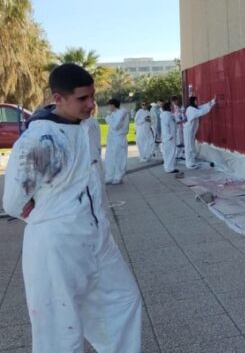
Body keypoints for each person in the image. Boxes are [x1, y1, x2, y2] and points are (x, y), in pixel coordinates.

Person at [2, 63, 141, 352]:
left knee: (123, 301)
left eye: (93, 96)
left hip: (98, 237)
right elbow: (13, 202)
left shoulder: (88, 127)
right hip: (57, 245)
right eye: (82, 99)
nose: (91, 105)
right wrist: (52, 214)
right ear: (58, 98)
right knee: (60, 330)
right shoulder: (37, 141)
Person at [183, 95, 216, 169]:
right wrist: (210, 106)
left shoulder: (193, 108)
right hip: (188, 131)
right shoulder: (191, 109)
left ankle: (191, 162)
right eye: (196, 101)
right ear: (193, 101)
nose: (197, 102)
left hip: (190, 131)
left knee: (190, 146)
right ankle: (189, 164)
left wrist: (212, 102)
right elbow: (201, 112)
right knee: (189, 147)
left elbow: (202, 107)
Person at [104, 97, 129, 184]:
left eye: (109, 105)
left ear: (113, 105)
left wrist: (107, 118)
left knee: (118, 158)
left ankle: (118, 176)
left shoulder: (122, 113)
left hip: (119, 138)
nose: (108, 108)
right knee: (110, 158)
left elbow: (115, 126)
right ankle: (110, 176)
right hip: (112, 139)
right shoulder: (113, 113)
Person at [159, 101, 178, 174]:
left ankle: (170, 167)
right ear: (168, 107)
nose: (173, 107)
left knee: (171, 152)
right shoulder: (166, 115)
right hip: (169, 138)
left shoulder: (169, 115)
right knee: (169, 152)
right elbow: (165, 127)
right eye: (171, 106)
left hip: (171, 137)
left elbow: (172, 124)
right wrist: (168, 136)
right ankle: (169, 168)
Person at [171, 95, 185, 160]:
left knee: (181, 140)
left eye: (176, 101)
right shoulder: (171, 109)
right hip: (175, 126)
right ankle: (176, 154)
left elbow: (181, 115)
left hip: (180, 125)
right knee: (177, 141)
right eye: (174, 101)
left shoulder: (178, 108)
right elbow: (172, 117)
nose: (175, 102)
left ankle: (180, 154)